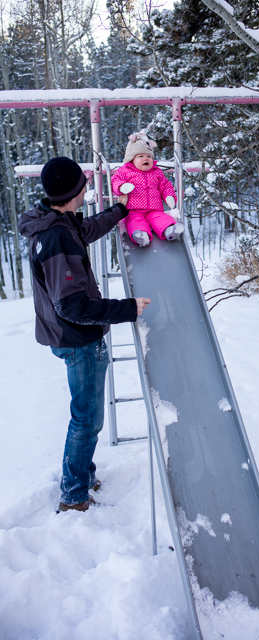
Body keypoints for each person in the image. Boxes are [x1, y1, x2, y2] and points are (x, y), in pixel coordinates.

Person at [18, 156, 151, 513]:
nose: (87, 186)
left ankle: (82, 475)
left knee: (87, 416)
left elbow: (86, 229)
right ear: (74, 191)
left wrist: (120, 211)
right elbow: (72, 306)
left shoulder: (56, 221)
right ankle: (74, 495)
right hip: (78, 340)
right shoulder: (57, 237)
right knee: (87, 419)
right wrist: (127, 308)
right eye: (83, 183)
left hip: (69, 336)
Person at [111, 132, 184, 247]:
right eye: (140, 156)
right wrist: (122, 187)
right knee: (134, 221)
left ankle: (169, 230)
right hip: (133, 210)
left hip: (154, 209)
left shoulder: (157, 172)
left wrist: (169, 196)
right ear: (131, 159)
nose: (146, 158)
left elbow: (165, 185)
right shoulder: (125, 171)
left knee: (161, 218)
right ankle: (141, 235)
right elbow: (115, 181)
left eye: (149, 156)